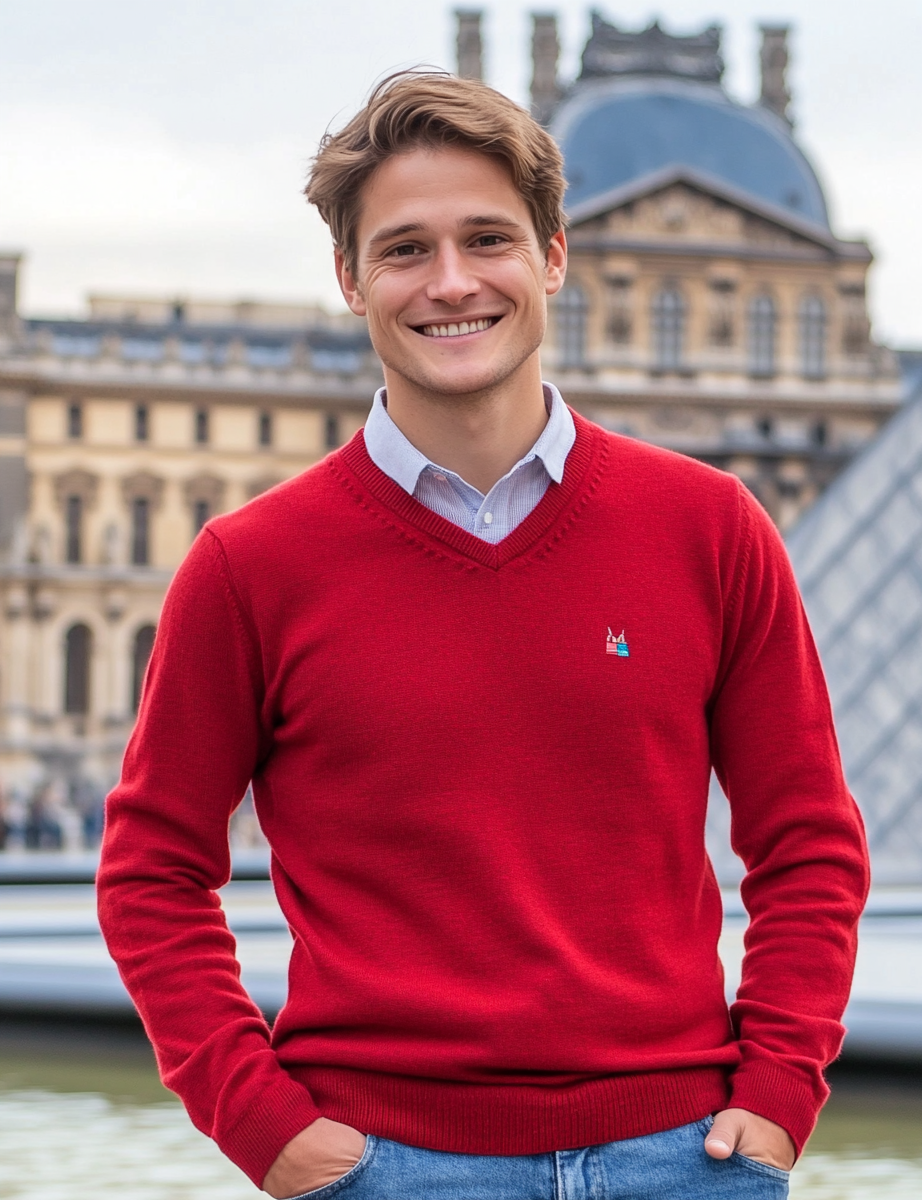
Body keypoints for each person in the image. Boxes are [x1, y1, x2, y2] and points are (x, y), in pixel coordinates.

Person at [97, 72, 869, 1199]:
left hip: (691, 1158)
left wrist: (780, 1091)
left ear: (555, 256)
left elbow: (808, 842)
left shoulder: (711, 529)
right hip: (381, 1166)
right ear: (349, 279)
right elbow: (151, 869)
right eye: (405, 249)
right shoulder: (249, 566)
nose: (452, 282)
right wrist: (265, 1126)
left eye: (488, 239)